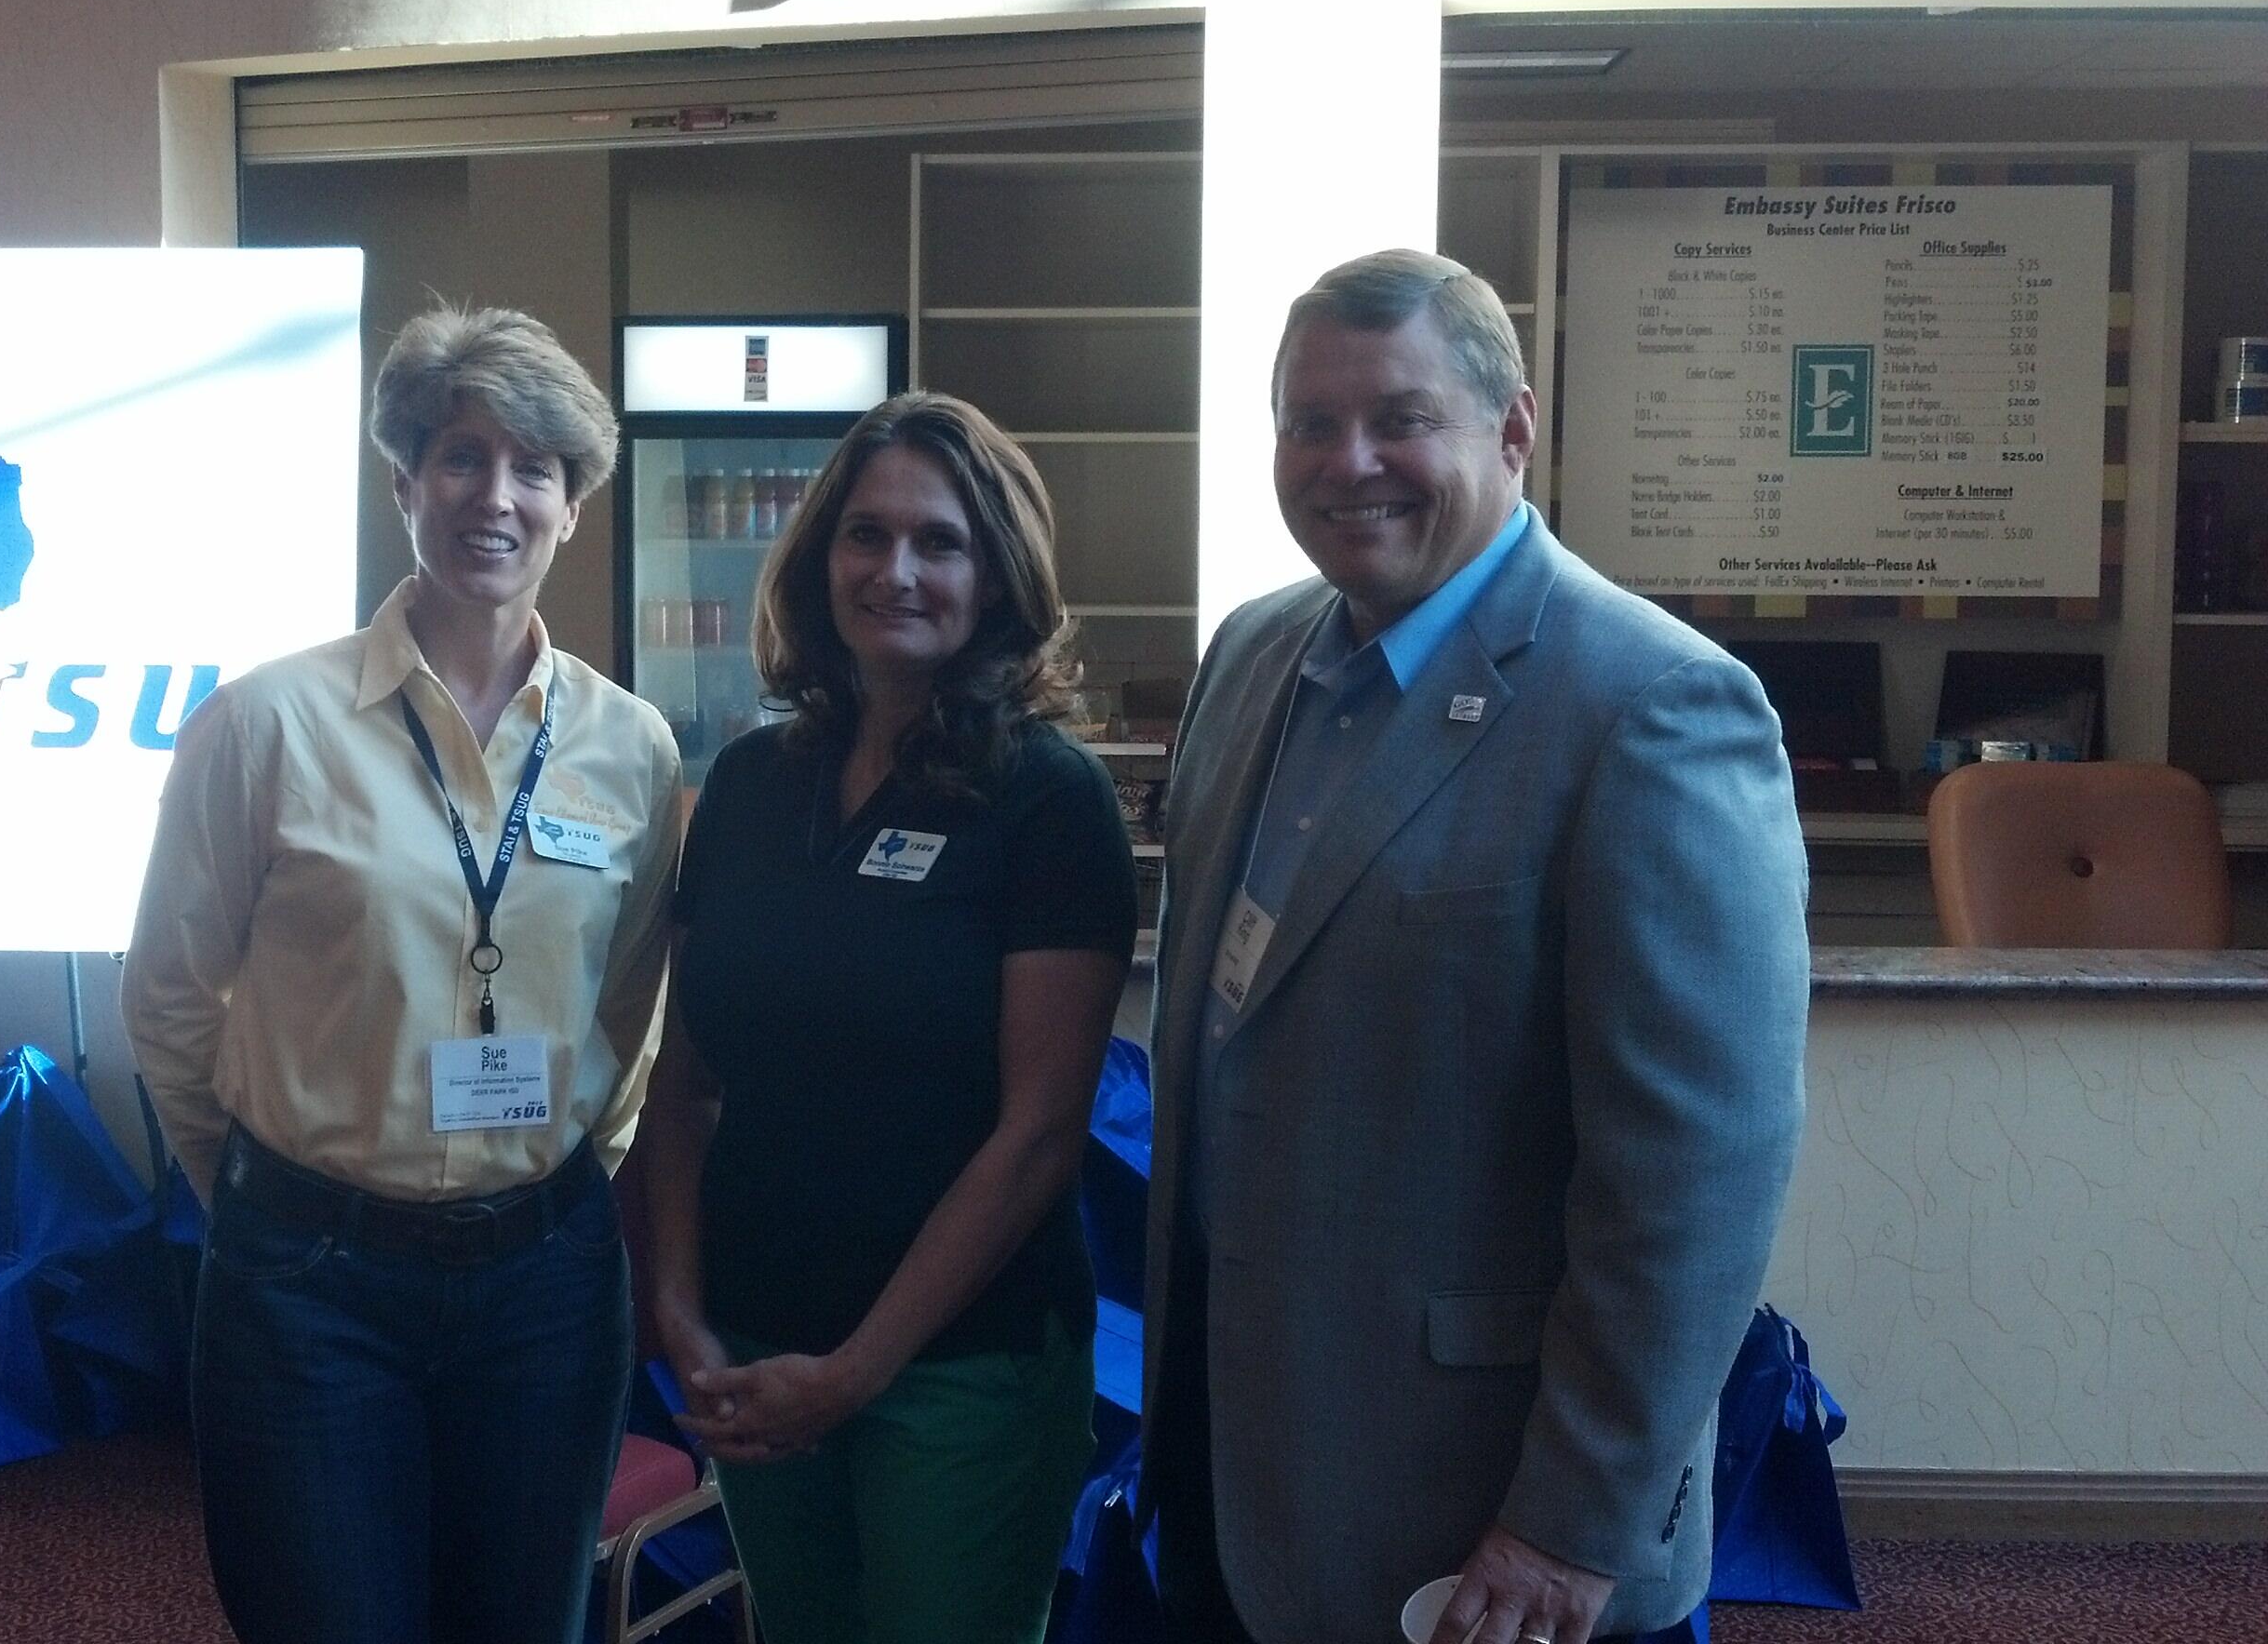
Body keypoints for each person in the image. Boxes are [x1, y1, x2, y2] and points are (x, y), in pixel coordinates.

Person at [1142, 249, 1809, 1644]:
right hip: (1239, 1461)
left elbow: (1694, 1180)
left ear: (1513, 430)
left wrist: (1574, 1519)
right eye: (1311, 423)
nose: (1350, 462)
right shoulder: (1251, 658)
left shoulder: (1655, 706)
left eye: (1402, 419)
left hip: (1489, 1520)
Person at [121, 304, 681, 1644]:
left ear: (572, 507)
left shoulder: (632, 748)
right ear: (403, 483)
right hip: (309, 1284)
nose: (496, 496)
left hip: (545, 1285)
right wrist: (258, 1193)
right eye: (460, 456)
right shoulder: (265, 723)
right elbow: (170, 995)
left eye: (534, 467)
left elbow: (628, 1005)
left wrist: (557, 1174)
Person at [632, 391, 1135, 1644]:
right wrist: (679, 1312)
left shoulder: (1049, 799)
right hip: (753, 1346)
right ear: (819, 559)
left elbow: (1037, 1137)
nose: (895, 570)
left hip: (958, 1371)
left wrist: (855, 1372)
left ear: (995, 574)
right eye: (866, 534)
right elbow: (684, 1087)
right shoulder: (748, 786)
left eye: (938, 542)